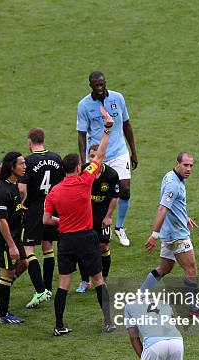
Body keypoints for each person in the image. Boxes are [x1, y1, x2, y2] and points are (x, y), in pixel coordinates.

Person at [44, 109, 115, 335]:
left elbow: (46, 219)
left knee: (63, 283)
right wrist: (107, 130)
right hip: (86, 238)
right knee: (98, 279)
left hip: (65, 240)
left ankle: (59, 325)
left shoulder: (54, 192)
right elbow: (100, 155)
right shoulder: (85, 181)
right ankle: (108, 322)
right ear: (77, 168)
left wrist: (61, 220)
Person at [143, 152, 199, 317]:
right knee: (191, 269)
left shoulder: (170, 176)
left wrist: (184, 216)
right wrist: (154, 235)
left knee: (164, 268)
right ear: (177, 163)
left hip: (168, 233)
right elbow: (162, 208)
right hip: (177, 236)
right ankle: (194, 308)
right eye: (185, 165)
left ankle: (140, 296)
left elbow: (172, 204)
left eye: (191, 165)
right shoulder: (174, 185)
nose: (189, 169)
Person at [77, 71, 137, 247]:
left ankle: (119, 227)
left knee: (124, 189)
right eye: (96, 85)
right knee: (95, 194)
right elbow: (81, 135)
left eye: (102, 84)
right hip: (97, 154)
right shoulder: (84, 105)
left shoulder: (118, 98)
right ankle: (96, 226)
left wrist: (133, 151)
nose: (100, 87)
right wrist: (84, 161)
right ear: (90, 85)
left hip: (119, 152)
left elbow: (126, 124)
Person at [17, 128, 64, 307]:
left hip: (35, 208)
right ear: (43, 139)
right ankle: (48, 288)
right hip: (53, 207)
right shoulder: (56, 158)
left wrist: (21, 204)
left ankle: (39, 290)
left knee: (28, 249)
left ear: (30, 142)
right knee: (48, 245)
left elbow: (21, 189)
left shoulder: (27, 161)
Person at [0, 152, 28, 324]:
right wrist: (11, 245)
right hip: (4, 238)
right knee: (9, 272)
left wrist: (19, 209)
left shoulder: (13, 185)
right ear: (12, 167)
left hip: (14, 235)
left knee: (24, 264)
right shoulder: (3, 190)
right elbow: (1, 220)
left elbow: (8, 212)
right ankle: (2, 314)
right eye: (21, 164)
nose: (25, 167)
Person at [77, 144, 120, 293]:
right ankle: (84, 281)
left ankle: (103, 280)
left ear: (103, 157)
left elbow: (115, 197)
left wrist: (108, 217)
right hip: (85, 216)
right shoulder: (83, 171)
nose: (94, 159)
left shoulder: (112, 175)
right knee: (83, 248)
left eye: (97, 156)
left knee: (103, 247)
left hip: (102, 216)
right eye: (91, 156)